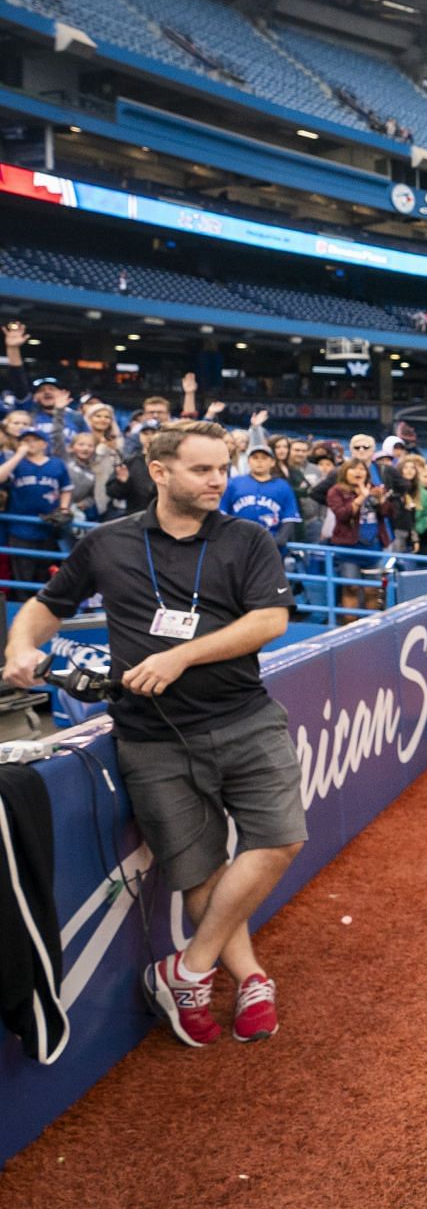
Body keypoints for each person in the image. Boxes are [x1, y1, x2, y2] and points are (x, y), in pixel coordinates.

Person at [3, 420, 303, 1046]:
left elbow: (270, 620)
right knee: (201, 874)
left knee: (278, 842)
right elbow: (45, 604)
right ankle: (246, 977)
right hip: (151, 740)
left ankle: (186, 969)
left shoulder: (247, 537)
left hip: (245, 719)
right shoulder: (108, 543)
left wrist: (181, 655)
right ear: (159, 471)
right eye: (203, 469)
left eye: (223, 467)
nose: (219, 479)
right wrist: (20, 644)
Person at [0, 428, 71, 596]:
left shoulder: (57, 463)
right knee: (23, 576)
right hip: (20, 528)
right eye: (25, 440)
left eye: (33, 440)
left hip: (48, 527)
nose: (28, 443)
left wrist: (64, 508)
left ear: (44, 443)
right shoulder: (16, 463)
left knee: (44, 575)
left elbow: (66, 489)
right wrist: (18, 455)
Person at [323, 460, 388, 612]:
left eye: (361, 469)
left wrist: (381, 500)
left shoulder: (374, 489)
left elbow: (389, 514)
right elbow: (343, 515)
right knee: (351, 587)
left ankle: (372, 627)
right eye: (353, 468)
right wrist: (360, 498)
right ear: (345, 472)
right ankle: (349, 626)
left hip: (373, 547)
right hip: (348, 548)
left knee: (372, 590)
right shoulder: (336, 491)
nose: (358, 472)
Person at [221, 444, 300, 547]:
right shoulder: (233, 483)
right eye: (255, 458)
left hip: (269, 541)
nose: (259, 461)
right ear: (248, 461)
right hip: (237, 540)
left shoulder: (283, 486)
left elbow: (289, 517)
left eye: (264, 458)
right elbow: (222, 512)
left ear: (272, 462)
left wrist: (280, 539)